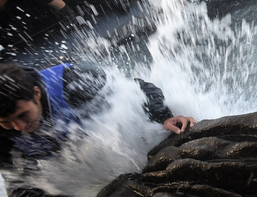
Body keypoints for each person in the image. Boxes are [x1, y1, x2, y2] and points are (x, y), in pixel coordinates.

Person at [0, 62, 194, 196]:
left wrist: (164, 117)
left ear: (36, 93)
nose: (20, 128)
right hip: (63, 152)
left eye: (23, 115)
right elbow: (17, 181)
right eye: (7, 122)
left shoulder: (75, 84)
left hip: (95, 133)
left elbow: (139, 89)